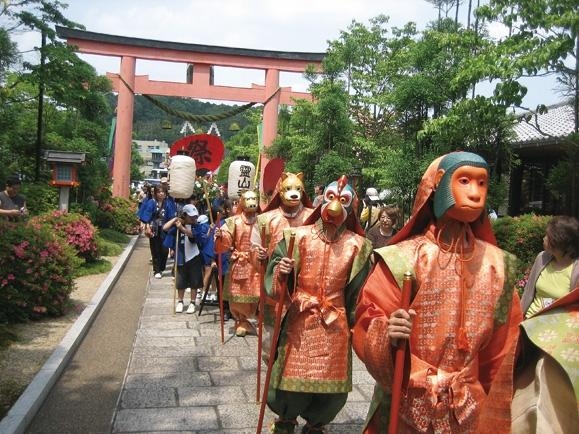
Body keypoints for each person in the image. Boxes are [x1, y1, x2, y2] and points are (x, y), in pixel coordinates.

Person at [353, 151, 523, 433]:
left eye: (482, 183)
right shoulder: (402, 258)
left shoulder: (499, 266)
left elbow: (502, 351)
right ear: (439, 185)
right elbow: (367, 319)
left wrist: (495, 404)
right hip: (407, 394)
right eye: (465, 181)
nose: (475, 193)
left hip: (467, 403)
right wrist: (388, 333)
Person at [263, 175, 372, 434]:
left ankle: (316, 424)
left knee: (330, 383)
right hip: (300, 318)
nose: (335, 206)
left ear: (351, 208)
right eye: (331, 198)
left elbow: (359, 294)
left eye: (343, 201)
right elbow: (274, 280)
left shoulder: (358, 246)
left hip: (336, 323)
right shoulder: (294, 238)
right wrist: (283, 272)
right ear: (322, 201)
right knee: (290, 375)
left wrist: (361, 327)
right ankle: (285, 420)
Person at [509, 215, 579, 432]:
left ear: (560, 242)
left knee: (545, 379)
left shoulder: (576, 268)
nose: (543, 239)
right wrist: (517, 323)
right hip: (530, 327)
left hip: (555, 336)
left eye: (548, 237)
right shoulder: (542, 258)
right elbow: (529, 292)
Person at [214, 190, 261, 337]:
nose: (251, 201)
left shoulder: (263, 220)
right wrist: (221, 236)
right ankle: (241, 320)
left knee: (260, 291)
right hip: (240, 262)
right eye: (248, 199)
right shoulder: (234, 221)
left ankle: (258, 318)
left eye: (254, 198)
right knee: (239, 293)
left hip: (258, 261)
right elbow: (225, 242)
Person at [163, 204, 204, 314]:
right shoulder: (178, 225)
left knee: (194, 281)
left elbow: (192, 236)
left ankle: (192, 302)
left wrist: (182, 228)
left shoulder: (197, 226)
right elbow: (165, 228)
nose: (194, 219)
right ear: (185, 215)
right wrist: (175, 219)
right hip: (181, 256)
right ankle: (180, 301)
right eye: (191, 217)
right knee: (180, 281)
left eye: (195, 216)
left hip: (194, 256)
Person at [140, 185, 170, 279]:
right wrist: (147, 227)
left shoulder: (168, 203)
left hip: (165, 228)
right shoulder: (151, 202)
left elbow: (171, 215)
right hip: (154, 228)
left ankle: (161, 267)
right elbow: (147, 215)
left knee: (165, 250)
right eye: (159, 192)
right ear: (156, 193)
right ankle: (156, 270)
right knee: (155, 249)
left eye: (163, 192)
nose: (161, 194)